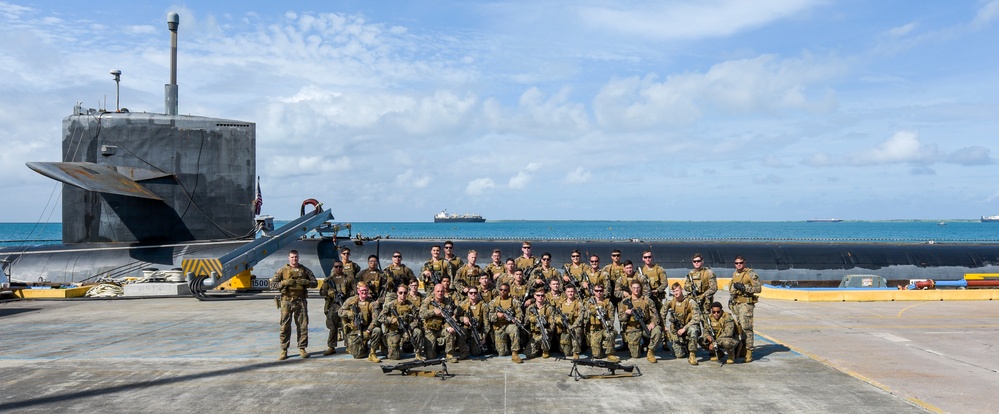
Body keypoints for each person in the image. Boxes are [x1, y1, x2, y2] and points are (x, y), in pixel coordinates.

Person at [269, 250, 318, 360]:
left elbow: (315, 283)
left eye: (296, 257)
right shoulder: (283, 270)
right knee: (285, 326)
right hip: (287, 301)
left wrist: (307, 282)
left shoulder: (304, 270)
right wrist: (283, 283)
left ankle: (302, 348)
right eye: (292, 257)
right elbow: (272, 284)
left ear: (298, 258)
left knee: (302, 325)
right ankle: (284, 350)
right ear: (289, 258)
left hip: (300, 301)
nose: (294, 259)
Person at [618, 280, 663, 363]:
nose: (636, 290)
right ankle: (641, 346)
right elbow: (620, 318)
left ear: (641, 288)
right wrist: (627, 314)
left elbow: (656, 316)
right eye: (634, 288)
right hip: (632, 328)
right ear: (631, 289)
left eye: (638, 288)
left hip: (645, 325)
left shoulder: (647, 300)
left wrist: (653, 323)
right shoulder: (625, 302)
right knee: (635, 355)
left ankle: (650, 352)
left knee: (657, 330)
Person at [337, 283, 384, 362]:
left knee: (377, 330)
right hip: (354, 330)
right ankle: (363, 347)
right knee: (358, 355)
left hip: (366, 330)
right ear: (358, 291)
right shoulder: (351, 300)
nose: (364, 292)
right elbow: (340, 312)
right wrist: (350, 314)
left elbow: (375, 319)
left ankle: (372, 353)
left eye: (366, 290)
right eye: (362, 290)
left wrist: (368, 330)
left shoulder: (372, 303)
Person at [729, 255, 762, 362]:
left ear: (744, 262)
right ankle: (742, 348)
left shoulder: (750, 274)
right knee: (739, 328)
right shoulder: (735, 274)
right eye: (737, 263)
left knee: (746, 328)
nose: (739, 265)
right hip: (737, 304)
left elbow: (758, 288)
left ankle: (749, 351)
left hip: (746, 305)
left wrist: (744, 288)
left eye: (741, 263)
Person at [378, 285, 424, 360]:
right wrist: (392, 320)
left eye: (405, 293)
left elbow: (417, 318)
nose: (403, 295)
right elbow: (380, 317)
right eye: (400, 293)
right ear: (397, 293)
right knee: (394, 357)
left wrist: (410, 327)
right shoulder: (391, 305)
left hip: (406, 329)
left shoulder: (410, 305)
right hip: (394, 330)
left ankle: (417, 353)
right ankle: (384, 346)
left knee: (417, 332)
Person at [420, 283, 463, 362]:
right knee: (430, 356)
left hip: (441, 328)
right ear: (434, 292)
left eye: (442, 291)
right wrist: (433, 312)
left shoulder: (447, 302)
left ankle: (449, 354)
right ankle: (435, 348)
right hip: (430, 329)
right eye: (438, 291)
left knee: (451, 332)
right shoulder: (428, 301)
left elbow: (448, 317)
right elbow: (421, 314)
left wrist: (448, 327)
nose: (440, 293)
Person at [662, 282, 702, 365]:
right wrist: (664, 326)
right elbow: (662, 313)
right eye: (674, 291)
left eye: (677, 290)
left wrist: (684, 328)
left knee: (693, 330)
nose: (676, 293)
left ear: (682, 290)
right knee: (679, 355)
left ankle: (692, 354)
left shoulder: (690, 302)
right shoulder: (670, 301)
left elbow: (697, 318)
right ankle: (684, 346)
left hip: (688, 327)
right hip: (676, 329)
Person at [319, 260, 353, 355]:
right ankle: (331, 346)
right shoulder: (329, 280)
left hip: (345, 305)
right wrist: (329, 293)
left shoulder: (348, 279)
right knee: (332, 326)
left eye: (340, 267)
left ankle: (348, 346)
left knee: (346, 325)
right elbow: (321, 292)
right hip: (333, 305)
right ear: (334, 268)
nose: (338, 268)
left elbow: (355, 291)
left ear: (342, 267)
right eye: (336, 266)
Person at [488, 283, 524, 363]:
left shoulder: (514, 302)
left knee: (515, 329)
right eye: (501, 290)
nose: (503, 291)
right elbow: (489, 317)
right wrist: (497, 315)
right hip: (499, 326)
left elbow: (520, 314)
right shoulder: (493, 302)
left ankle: (515, 353)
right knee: (502, 353)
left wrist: (516, 319)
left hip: (509, 325)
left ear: (509, 291)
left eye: (505, 290)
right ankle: (506, 345)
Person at [583, 285, 620, 362]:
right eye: (596, 291)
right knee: (597, 355)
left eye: (600, 291)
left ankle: (610, 354)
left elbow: (612, 319)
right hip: (594, 329)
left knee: (610, 334)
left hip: (604, 328)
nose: (598, 292)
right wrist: (593, 311)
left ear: (603, 291)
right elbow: (584, 316)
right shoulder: (589, 303)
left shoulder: (608, 303)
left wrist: (606, 323)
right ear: (593, 291)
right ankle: (599, 349)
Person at [457, 287, 490, 357]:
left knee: (476, 353)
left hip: (476, 330)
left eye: (475, 293)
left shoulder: (483, 305)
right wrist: (463, 319)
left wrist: (484, 337)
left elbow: (486, 323)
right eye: (471, 293)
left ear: (478, 294)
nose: (473, 294)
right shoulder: (463, 304)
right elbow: (456, 316)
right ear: (468, 294)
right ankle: (464, 350)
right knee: (460, 333)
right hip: (466, 329)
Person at [524, 289, 555, 359]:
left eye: (542, 295)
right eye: (538, 295)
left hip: (545, 332)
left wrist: (548, 330)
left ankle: (545, 350)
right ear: (535, 296)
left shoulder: (549, 308)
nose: (540, 297)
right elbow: (526, 322)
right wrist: (534, 319)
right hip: (534, 334)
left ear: (545, 296)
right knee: (529, 354)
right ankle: (538, 348)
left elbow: (552, 323)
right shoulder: (530, 308)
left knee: (545, 335)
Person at [555, 285, 584, 359]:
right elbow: (556, 315)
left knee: (576, 332)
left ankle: (576, 352)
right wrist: (560, 321)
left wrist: (573, 326)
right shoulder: (561, 303)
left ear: (574, 292)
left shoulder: (578, 303)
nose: (570, 293)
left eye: (572, 291)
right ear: (565, 292)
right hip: (564, 326)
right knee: (566, 353)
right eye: (568, 292)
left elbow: (581, 317)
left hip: (574, 326)